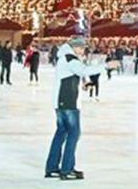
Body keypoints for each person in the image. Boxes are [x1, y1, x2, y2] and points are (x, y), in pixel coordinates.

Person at [45, 37, 119, 181]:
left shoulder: (66, 57)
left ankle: (52, 167)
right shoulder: (70, 58)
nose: (82, 50)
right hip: (67, 102)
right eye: (81, 48)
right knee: (74, 133)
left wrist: (82, 85)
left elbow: (73, 74)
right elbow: (84, 70)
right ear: (74, 47)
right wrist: (106, 66)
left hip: (62, 101)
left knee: (61, 133)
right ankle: (67, 169)